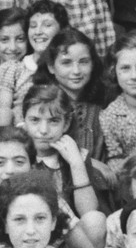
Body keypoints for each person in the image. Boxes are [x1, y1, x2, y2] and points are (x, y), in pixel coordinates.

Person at [18, 82, 110, 248]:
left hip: (68, 237)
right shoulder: (16, 154)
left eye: (53, 121)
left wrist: (76, 164)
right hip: (28, 232)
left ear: (66, 124)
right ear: (24, 121)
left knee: (96, 220)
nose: (43, 130)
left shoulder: (76, 155)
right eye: (35, 120)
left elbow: (88, 211)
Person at [30, 27, 108, 166]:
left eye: (83, 62)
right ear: (51, 67)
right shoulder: (38, 104)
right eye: (66, 63)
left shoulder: (101, 107)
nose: (76, 71)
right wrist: (94, 165)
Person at [99, 29, 136, 179]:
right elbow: (114, 159)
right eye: (125, 68)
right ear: (114, 72)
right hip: (133, 180)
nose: (134, 76)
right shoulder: (109, 116)